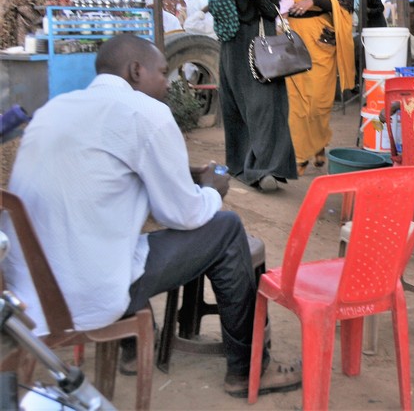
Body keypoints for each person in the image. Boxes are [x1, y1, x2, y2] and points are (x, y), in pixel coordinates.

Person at [0, 33, 301, 398]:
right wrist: (211, 190)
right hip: (86, 295)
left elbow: (104, 175)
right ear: (135, 71)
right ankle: (248, 370)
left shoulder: (55, 109)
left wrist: (181, 173)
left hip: (26, 295)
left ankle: (131, 350)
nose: (167, 82)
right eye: (162, 72)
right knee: (226, 229)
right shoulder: (146, 113)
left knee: (119, 237)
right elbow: (182, 215)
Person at [208, 0, 297, 191]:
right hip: (234, 49)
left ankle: (267, 169)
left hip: (261, 46)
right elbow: (219, 9)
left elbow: (272, 11)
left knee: (266, 107)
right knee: (239, 108)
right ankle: (242, 165)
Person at [281, 0, 357, 176]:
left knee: (318, 102)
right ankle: (300, 155)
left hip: (321, 39)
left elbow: (345, 3)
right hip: (292, 37)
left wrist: (313, 0)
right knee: (296, 102)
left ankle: (318, 143)